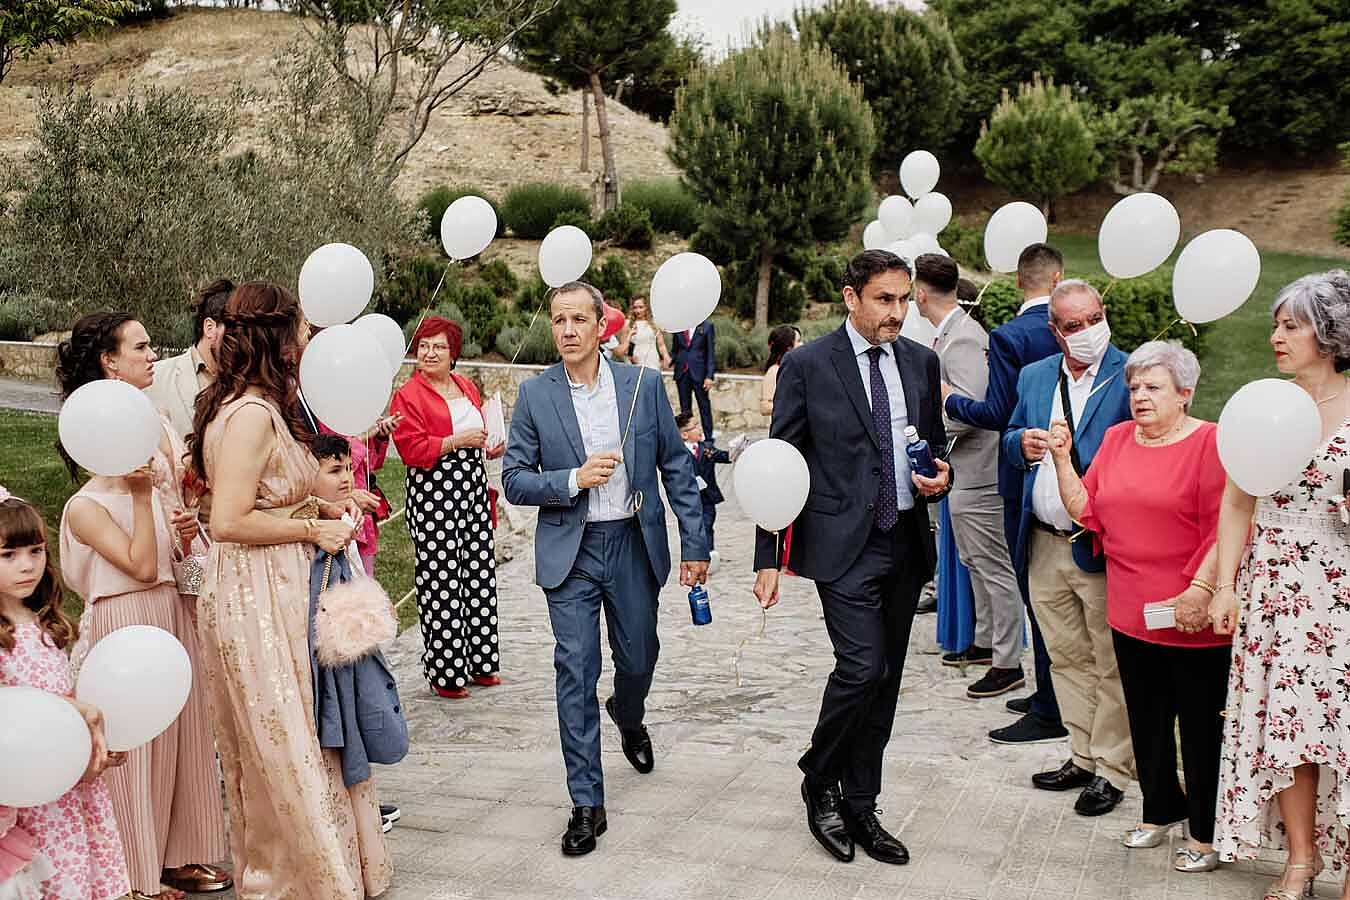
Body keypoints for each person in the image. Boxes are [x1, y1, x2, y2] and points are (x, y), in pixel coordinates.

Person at [187, 281, 391, 900]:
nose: (307, 338)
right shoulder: (249, 415)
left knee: (298, 728)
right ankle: (300, 877)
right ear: (277, 337)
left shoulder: (260, 406)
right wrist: (311, 527)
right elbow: (227, 520)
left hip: (278, 583)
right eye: (299, 328)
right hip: (256, 594)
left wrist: (321, 504)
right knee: (284, 735)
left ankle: (315, 868)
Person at [752, 249, 953, 866]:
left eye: (902, 299)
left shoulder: (922, 363)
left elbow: (934, 450)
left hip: (906, 541)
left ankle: (861, 804)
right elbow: (775, 463)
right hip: (842, 545)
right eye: (883, 300)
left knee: (886, 681)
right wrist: (768, 556)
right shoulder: (808, 366)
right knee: (861, 669)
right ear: (851, 297)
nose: (897, 312)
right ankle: (820, 778)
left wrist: (939, 478)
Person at [502, 280, 709, 857]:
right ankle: (586, 804)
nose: (567, 330)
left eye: (577, 319)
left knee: (639, 655)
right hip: (571, 550)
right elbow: (514, 479)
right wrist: (571, 480)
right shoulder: (536, 395)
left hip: (632, 544)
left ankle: (629, 710)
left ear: (602, 327)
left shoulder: (641, 384)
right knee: (575, 669)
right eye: (558, 320)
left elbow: (675, 464)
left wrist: (696, 542)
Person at [54, 312, 230, 900]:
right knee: (137, 743)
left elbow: (172, 515)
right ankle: (132, 870)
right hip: (125, 615)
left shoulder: (155, 422)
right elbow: (135, 560)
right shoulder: (87, 504)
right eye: (141, 347)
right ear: (109, 362)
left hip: (171, 602)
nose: (154, 355)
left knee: (185, 730)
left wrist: (184, 526)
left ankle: (181, 853)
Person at [1047, 340, 1229, 872]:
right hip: (1129, 609)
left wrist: (1199, 590)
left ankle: (1205, 833)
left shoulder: (1210, 444)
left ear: (1185, 395)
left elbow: (1224, 527)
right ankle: (1158, 811)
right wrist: (1061, 460)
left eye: (1153, 388)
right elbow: (1088, 508)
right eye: (1134, 388)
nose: (1139, 397)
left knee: (1199, 727)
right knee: (1146, 720)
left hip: (1191, 610)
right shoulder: (1118, 438)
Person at [1210, 270, 1350, 900]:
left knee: (1341, 731)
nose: (1276, 337)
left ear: (1330, 333)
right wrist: (1225, 584)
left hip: (1341, 588)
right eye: (1275, 324)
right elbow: (1237, 503)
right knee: (1286, 728)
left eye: (1291, 326)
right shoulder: (1264, 403)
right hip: (1273, 587)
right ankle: (1301, 859)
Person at [1003, 279, 1133, 817]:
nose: (1087, 332)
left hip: (1099, 544)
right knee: (1065, 657)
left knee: (1110, 662)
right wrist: (1021, 444)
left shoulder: (1131, 375)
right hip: (1043, 541)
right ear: (1055, 331)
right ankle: (1080, 753)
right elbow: (1009, 436)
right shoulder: (1035, 376)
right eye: (1074, 326)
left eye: (1094, 318)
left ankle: (1113, 768)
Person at [944, 243, 1066, 744]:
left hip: (1020, 470)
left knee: (1036, 589)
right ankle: (1047, 693)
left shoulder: (1012, 335)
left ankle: (1049, 702)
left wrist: (950, 401)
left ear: (1019, 281)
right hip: (1071, 468)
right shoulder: (1079, 334)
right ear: (1058, 278)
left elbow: (996, 411)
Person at [0, 489, 130, 900]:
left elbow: (63, 696)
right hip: (29, 796)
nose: (28, 565)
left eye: (36, 551)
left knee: (81, 871)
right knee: (50, 878)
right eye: (9, 555)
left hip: (70, 789)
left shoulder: (43, 625)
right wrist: (76, 710)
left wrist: (96, 743)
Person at [914, 254, 1024, 699]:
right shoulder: (954, 334)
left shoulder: (961, 340)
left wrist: (926, 426)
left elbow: (976, 409)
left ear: (921, 293)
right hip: (964, 471)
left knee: (993, 566)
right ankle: (983, 640)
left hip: (979, 471)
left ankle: (1008, 660)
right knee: (972, 560)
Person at [390, 316, 504, 699]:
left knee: (478, 572)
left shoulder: (466, 385)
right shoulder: (408, 395)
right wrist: (458, 440)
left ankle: (482, 662)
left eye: (438, 346)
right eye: (423, 345)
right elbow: (411, 449)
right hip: (434, 491)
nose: (429, 352)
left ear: (453, 352)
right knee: (441, 578)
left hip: (472, 485)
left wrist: (490, 444)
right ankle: (447, 672)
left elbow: (479, 433)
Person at [307, 434, 408, 836]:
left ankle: (360, 796)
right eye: (335, 471)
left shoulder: (342, 518)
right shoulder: (316, 532)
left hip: (351, 635)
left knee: (359, 711)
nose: (347, 478)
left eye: (349, 469)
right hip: (327, 640)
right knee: (338, 717)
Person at [144, 278, 233, 442]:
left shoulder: (249, 384)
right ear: (209, 328)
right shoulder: (154, 379)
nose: (244, 341)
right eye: (235, 332)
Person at [675, 411, 744, 574]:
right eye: (695, 426)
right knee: (690, 527)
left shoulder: (707, 447)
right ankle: (692, 556)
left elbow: (724, 456)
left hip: (707, 496)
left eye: (699, 424)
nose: (700, 428)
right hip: (689, 498)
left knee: (708, 524)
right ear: (684, 434)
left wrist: (737, 450)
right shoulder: (677, 453)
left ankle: (709, 555)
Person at [672, 317, 716, 438]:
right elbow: (675, 349)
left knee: (704, 407)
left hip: (700, 374)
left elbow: (710, 353)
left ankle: (708, 438)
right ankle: (686, 436)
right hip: (682, 373)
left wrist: (709, 376)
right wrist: (673, 361)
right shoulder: (678, 326)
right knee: (685, 409)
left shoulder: (707, 326)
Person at [760, 325, 803, 417]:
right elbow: (765, 407)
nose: (802, 344)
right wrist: (794, 407)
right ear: (788, 347)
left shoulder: (796, 369)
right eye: (798, 341)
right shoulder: (774, 371)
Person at [621, 296, 670, 370]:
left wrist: (666, 357)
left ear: (646, 308)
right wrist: (629, 357)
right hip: (635, 362)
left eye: (641, 307)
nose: (638, 311)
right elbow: (623, 347)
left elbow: (661, 345)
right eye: (635, 307)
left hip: (652, 360)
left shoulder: (654, 323)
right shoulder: (627, 324)